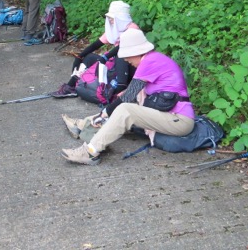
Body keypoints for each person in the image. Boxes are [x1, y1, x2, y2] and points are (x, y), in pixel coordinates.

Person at [60, 28, 195, 165]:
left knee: (125, 109)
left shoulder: (150, 61)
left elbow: (128, 96)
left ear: (136, 52)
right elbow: (131, 93)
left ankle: (90, 152)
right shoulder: (153, 59)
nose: (125, 59)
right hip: (169, 115)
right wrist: (108, 111)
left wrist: (105, 112)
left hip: (179, 120)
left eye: (127, 56)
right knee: (123, 106)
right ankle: (83, 124)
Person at [51, 1, 139, 100]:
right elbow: (95, 45)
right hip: (116, 65)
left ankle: (119, 92)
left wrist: (106, 57)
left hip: (131, 67)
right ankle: (72, 86)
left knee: (121, 54)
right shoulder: (115, 30)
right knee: (89, 58)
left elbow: (122, 47)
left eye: (112, 18)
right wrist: (79, 56)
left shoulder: (133, 28)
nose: (110, 21)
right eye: (109, 18)